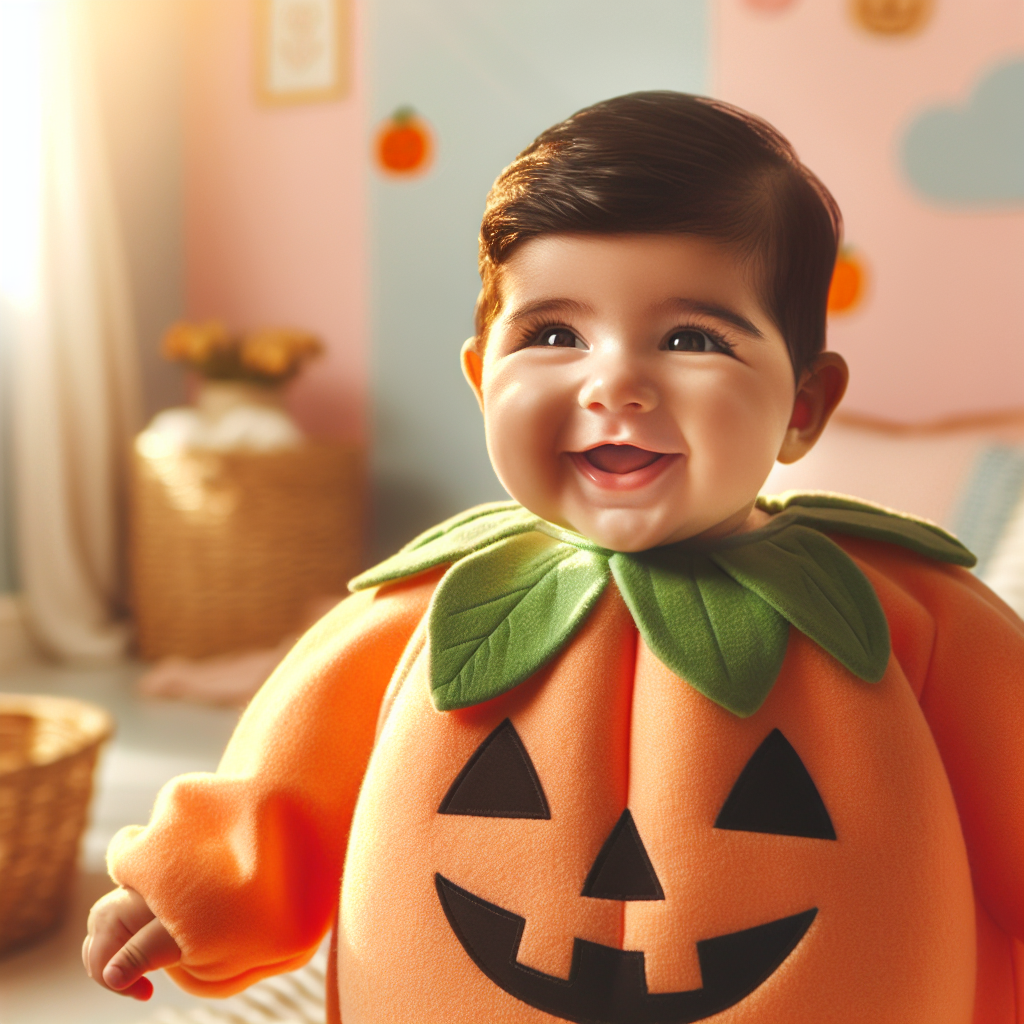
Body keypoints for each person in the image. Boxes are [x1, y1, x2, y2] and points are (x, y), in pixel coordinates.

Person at [84, 92, 1023, 1023]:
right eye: (553, 334)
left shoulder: (913, 616)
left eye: (691, 338)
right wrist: (189, 891)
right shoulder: (428, 605)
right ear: (482, 375)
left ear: (805, 406)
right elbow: (281, 783)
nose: (613, 380)